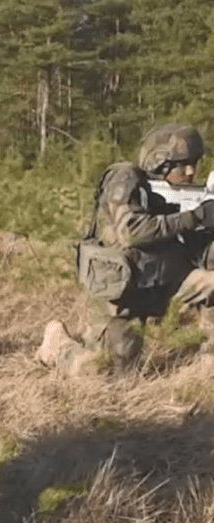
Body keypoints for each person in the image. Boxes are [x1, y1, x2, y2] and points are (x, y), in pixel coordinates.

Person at [39, 123, 214, 375]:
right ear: (159, 162)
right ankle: (57, 346)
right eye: (182, 164)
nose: (191, 171)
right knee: (105, 374)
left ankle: (209, 358)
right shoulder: (124, 178)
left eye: (194, 163)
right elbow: (131, 232)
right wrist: (195, 217)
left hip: (163, 282)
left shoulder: (182, 195)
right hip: (122, 296)